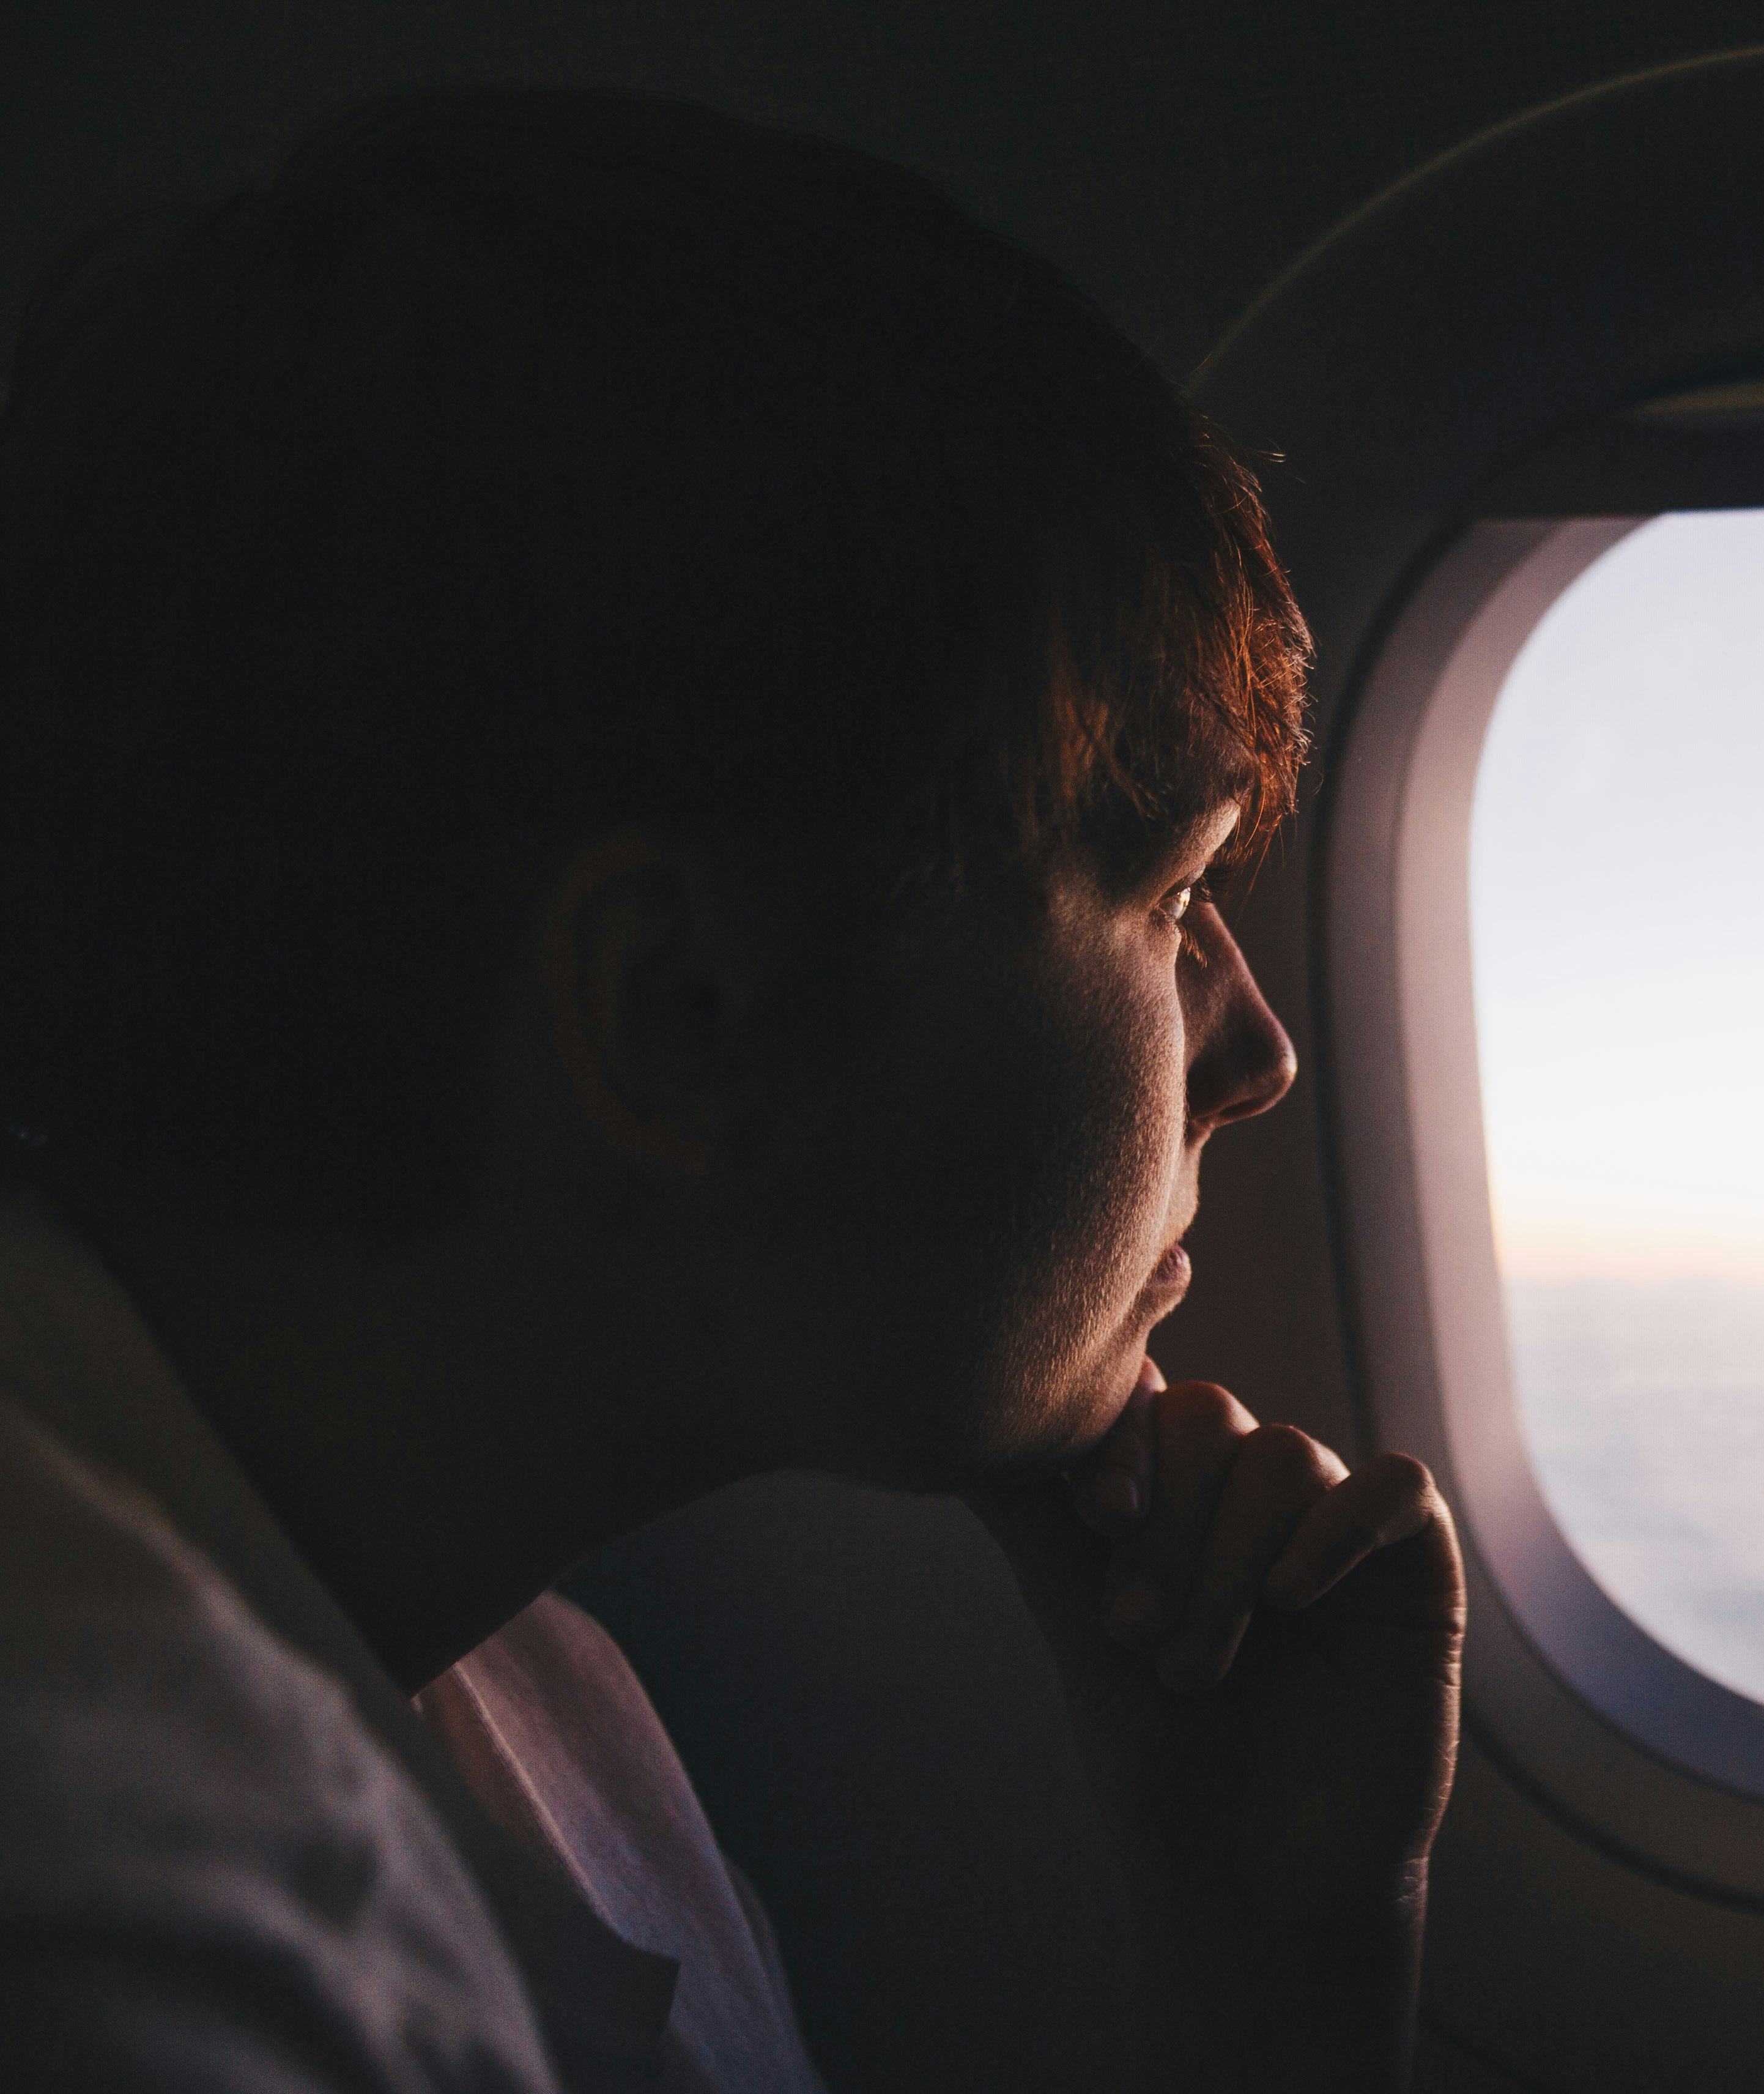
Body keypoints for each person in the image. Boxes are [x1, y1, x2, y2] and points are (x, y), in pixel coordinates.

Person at [0, 87, 1462, 2092]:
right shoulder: (125, 1912)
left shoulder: (528, 1694)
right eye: (1172, 894)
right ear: (686, 1015)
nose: (1258, 1049)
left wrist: (1279, 1964)